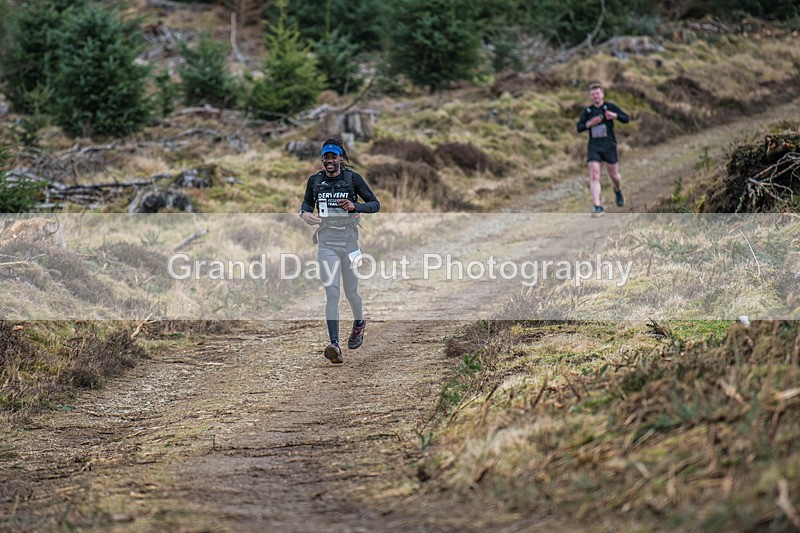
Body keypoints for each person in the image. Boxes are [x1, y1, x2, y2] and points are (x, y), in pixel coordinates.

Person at [299, 137, 380, 364]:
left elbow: (375, 204)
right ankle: (334, 345)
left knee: (351, 292)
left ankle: (359, 323)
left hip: (350, 243)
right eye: (326, 157)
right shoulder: (315, 181)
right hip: (326, 243)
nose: (329, 161)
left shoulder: (353, 179)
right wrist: (305, 214)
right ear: (322, 159)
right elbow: (306, 204)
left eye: (334, 157)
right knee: (332, 291)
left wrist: (356, 206)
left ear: (341, 158)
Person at [576, 83, 630, 217]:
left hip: (609, 145)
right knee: (594, 174)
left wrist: (615, 116)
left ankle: (617, 190)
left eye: (597, 93)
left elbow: (626, 119)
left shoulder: (609, 107)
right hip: (594, 146)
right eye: (593, 94)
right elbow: (579, 127)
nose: (595, 96)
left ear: (602, 94)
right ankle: (597, 206)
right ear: (590, 96)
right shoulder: (588, 111)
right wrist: (589, 124)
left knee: (614, 175)